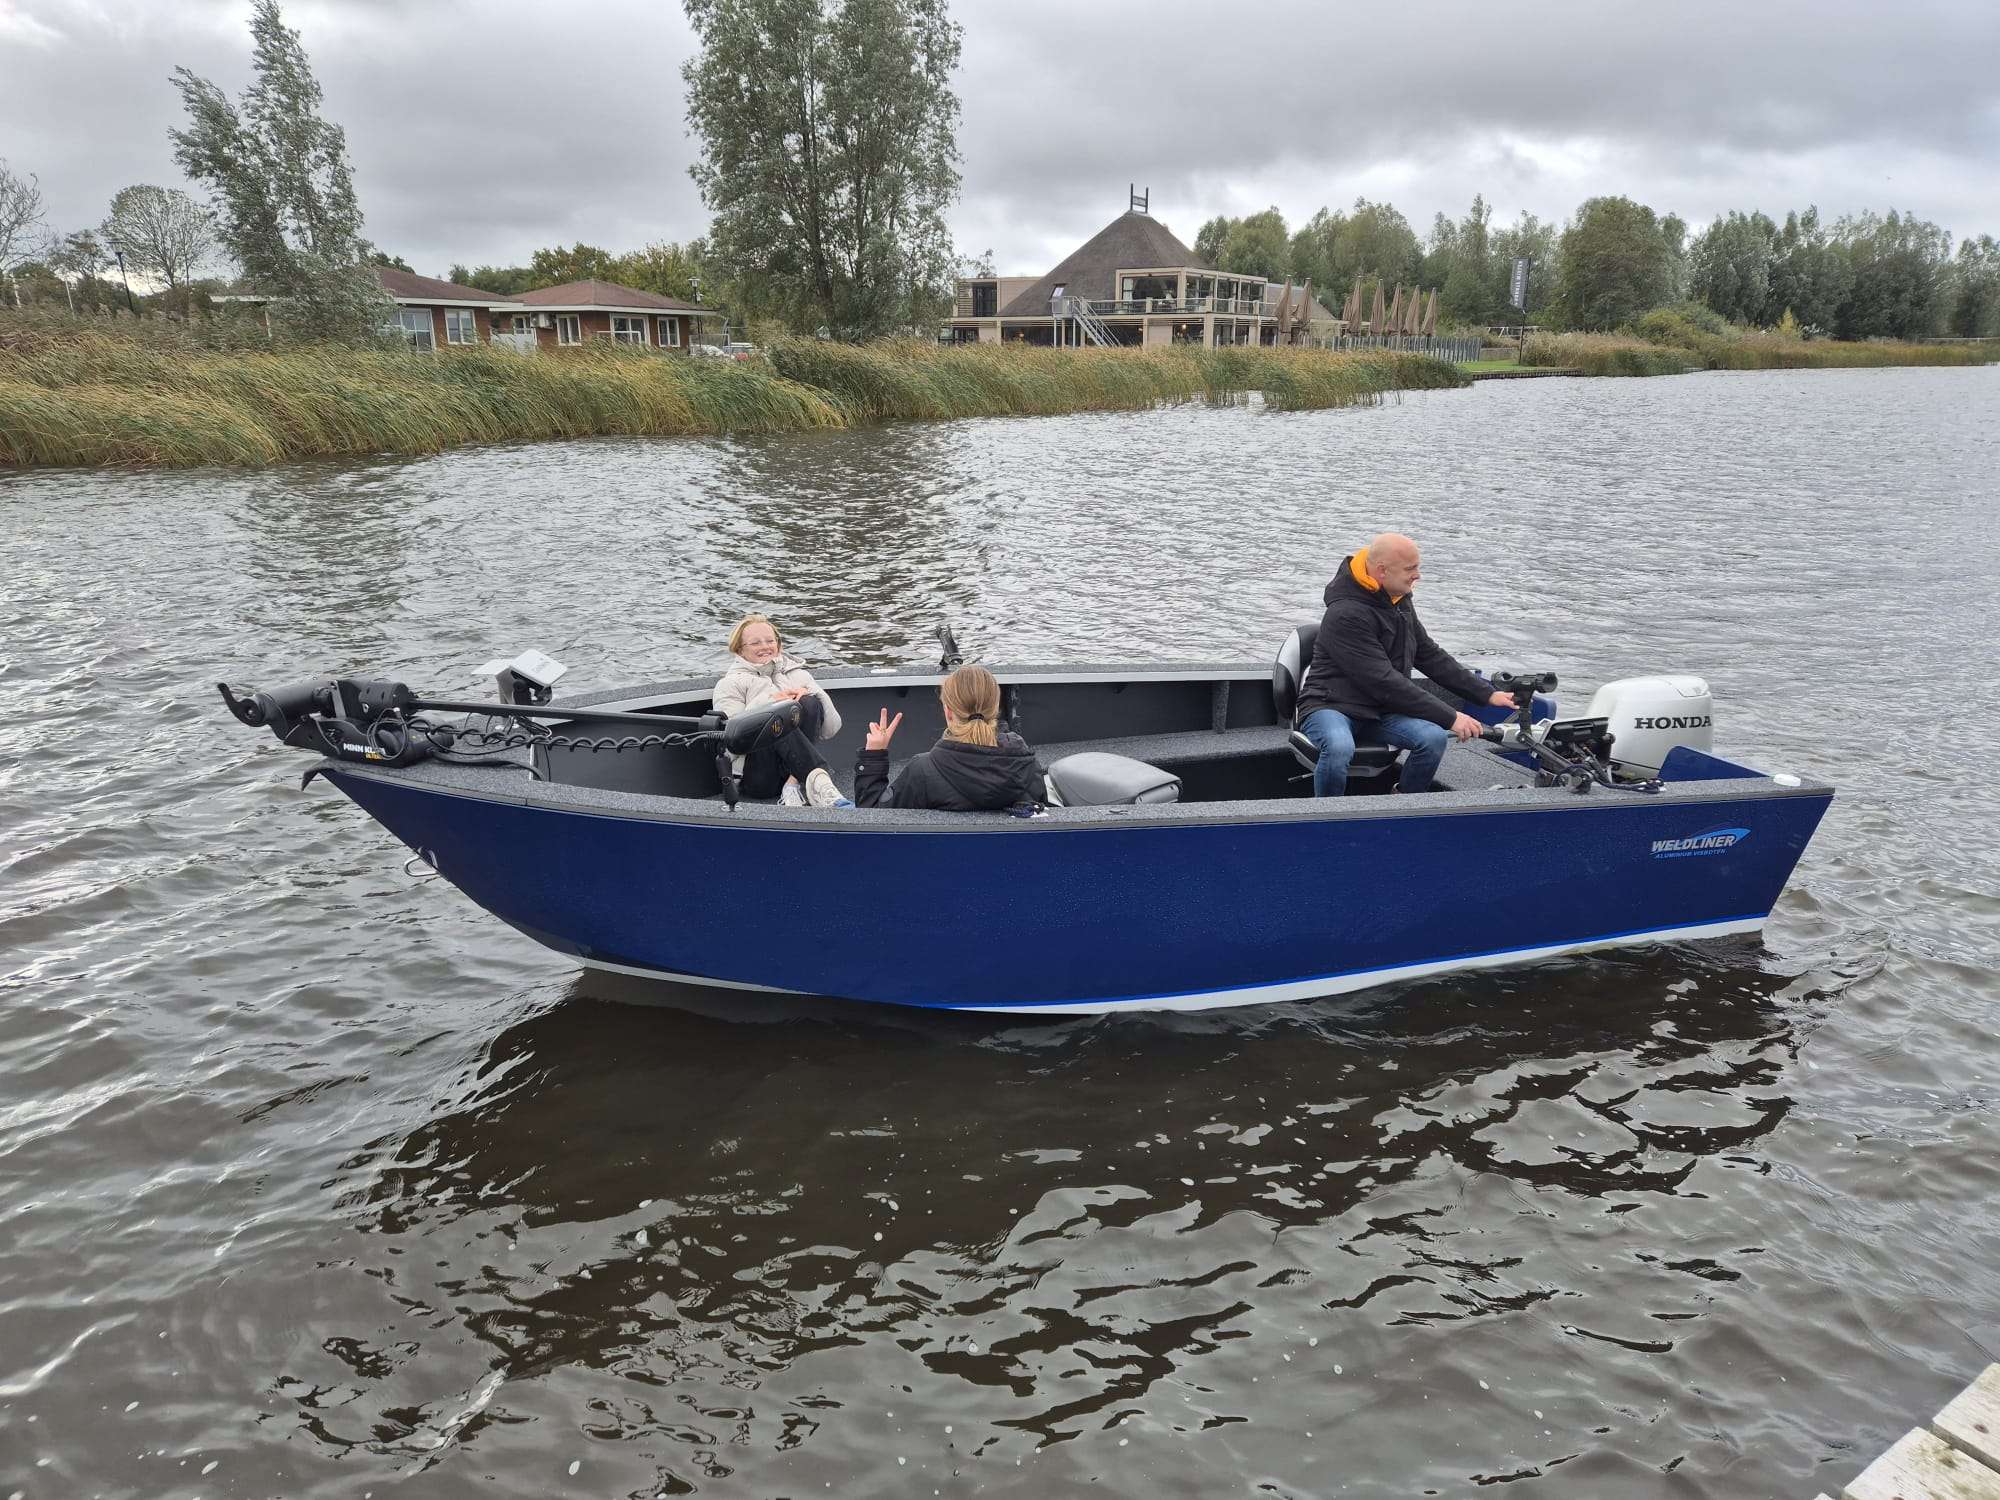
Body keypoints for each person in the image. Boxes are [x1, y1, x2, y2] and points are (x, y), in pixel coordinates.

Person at [1295, 533, 1516, 797]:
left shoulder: (1398, 599)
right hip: (1329, 705)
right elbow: (1383, 680)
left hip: (1380, 710)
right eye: (1410, 569)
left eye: (1417, 567)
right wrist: (1451, 717)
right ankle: (1326, 817)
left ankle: (1402, 803)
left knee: (1432, 738)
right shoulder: (1345, 614)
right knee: (1340, 746)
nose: (1418, 575)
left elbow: (1428, 654)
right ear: (1382, 571)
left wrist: (1486, 693)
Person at [855, 664, 1042, 811]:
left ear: (948, 711)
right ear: (995, 708)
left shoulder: (923, 772)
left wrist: (874, 756)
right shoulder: (1027, 767)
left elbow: (873, 818)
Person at [712, 614, 849, 807]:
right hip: (759, 778)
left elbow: (831, 729)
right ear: (740, 650)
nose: (765, 646)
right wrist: (769, 703)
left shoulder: (799, 675)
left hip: (794, 774)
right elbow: (731, 744)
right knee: (778, 715)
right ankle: (820, 780)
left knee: (809, 702)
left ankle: (793, 785)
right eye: (755, 643)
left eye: (770, 641)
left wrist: (813, 695)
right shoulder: (729, 684)